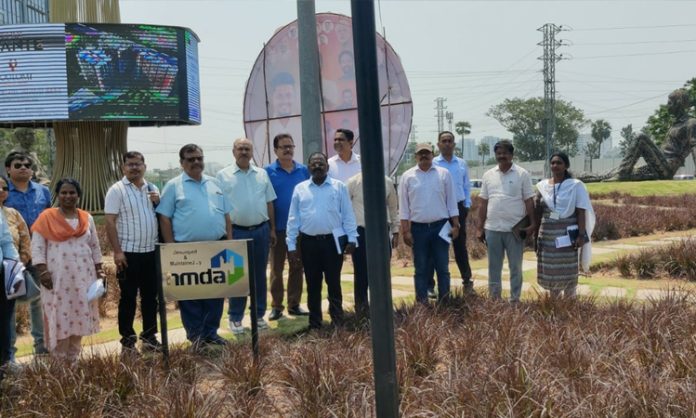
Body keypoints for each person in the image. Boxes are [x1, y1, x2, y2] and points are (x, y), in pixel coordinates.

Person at [156, 144, 232, 349]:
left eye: (199, 158)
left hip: (215, 248)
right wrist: (170, 246)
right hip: (186, 250)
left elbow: (226, 215)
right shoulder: (173, 185)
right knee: (190, 296)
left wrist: (230, 243)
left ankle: (211, 333)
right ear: (182, 163)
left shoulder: (215, 183)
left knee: (215, 293)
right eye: (191, 159)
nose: (196, 162)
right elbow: (164, 217)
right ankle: (196, 337)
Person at [31, 178, 103, 363]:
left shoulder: (86, 218)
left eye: (72, 192)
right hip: (56, 279)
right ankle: (58, 364)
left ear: (78, 195)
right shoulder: (46, 217)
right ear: (58, 195)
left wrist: (100, 271)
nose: (68, 196)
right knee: (59, 317)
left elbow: (94, 246)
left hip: (83, 279)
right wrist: (43, 271)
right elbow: (37, 247)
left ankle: (73, 363)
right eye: (64, 192)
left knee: (79, 317)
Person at [286, 152, 358, 329]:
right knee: (312, 284)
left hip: (332, 243)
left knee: (334, 282)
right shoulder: (300, 189)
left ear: (327, 166)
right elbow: (293, 219)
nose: (317, 166)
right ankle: (315, 322)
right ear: (308, 167)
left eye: (321, 163)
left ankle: (337, 319)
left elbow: (348, 214)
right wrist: (291, 246)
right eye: (313, 164)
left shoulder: (338, 187)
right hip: (308, 244)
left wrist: (352, 237)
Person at [217, 138, 276, 335]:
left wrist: (273, 229)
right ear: (233, 151)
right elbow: (219, 207)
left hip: (260, 230)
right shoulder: (222, 175)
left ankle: (258, 316)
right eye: (240, 148)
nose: (244, 152)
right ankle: (235, 318)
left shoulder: (262, 174)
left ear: (252, 152)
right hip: (236, 232)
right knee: (236, 277)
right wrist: (227, 235)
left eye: (247, 149)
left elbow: (269, 203)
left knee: (259, 276)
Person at [104, 151, 161, 354]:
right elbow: (110, 222)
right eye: (130, 164)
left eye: (138, 164)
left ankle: (149, 336)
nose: (134, 168)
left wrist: (158, 201)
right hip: (128, 254)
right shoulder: (116, 190)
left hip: (150, 252)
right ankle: (128, 340)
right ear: (123, 168)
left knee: (150, 297)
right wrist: (117, 252)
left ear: (144, 166)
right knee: (128, 297)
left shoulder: (152, 188)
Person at [399, 143, 460, 303]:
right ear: (416, 156)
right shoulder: (407, 176)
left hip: (442, 226)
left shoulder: (444, 174)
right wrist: (406, 231)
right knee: (420, 269)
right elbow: (404, 208)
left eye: (427, 153)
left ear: (433, 155)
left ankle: (445, 301)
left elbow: (451, 202)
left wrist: (456, 225)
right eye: (421, 153)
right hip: (418, 229)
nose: (424, 156)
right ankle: (422, 303)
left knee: (443, 267)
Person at [476, 140, 536, 303]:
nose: (501, 156)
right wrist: (480, 228)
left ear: (511, 155)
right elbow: (483, 203)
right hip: (493, 229)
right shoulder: (488, 175)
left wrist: (532, 224)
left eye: (505, 153)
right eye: (498, 153)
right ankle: (495, 299)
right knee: (493, 267)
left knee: (515, 267)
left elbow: (529, 201)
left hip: (514, 230)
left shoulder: (522, 174)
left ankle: (515, 299)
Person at [4, 151, 49, 359]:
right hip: (12, 258)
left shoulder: (43, 192)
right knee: (9, 305)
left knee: (40, 300)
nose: (23, 167)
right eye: (18, 164)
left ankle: (42, 346)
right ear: (8, 169)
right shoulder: (4, 192)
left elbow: (50, 219)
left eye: (27, 164)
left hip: (39, 254)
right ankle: (9, 352)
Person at [535, 152, 595, 297]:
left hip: (568, 237)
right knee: (551, 274)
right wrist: (535, 236)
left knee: (568, 273)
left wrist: (581, 235)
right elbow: (538, 211)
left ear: (566, 166)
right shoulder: (542, 186)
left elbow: (581, 211)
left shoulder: (575, 186)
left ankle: (570, 307)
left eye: (559, 163)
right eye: (553, 163)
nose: (555, 166)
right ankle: (554, 306)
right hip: (547, 237)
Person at [264, 134, 310, 321]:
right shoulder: (267, 172)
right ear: (275, 150)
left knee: (297, 267)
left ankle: (294, 304)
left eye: (290, 146)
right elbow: (266, 201)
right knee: (276, 269)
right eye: (283, 147)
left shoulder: (304, 171)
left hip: (299, 229)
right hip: (278, 228)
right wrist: (271, 228)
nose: (288, 150)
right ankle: (276, 306)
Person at [346, 172, 399, 316]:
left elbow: (393, 208)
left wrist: (396, 231)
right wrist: (348, 233)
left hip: (381, 232)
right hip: (361, 232)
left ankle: (382, 308)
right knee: (361, 273)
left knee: (382, 272)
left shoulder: (387, 182)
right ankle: (362, 310)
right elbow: (344, 206)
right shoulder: (353, 181)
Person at [433, 131, 474, 296]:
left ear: (454, 144)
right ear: (438, 144)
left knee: (460, 246)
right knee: (439, 246)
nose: (447, 143)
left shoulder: (461, 163)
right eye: (444, 141)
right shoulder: (434, 163)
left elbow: (466, 185)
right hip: (440, 209)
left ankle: (467, 280)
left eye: (450, 141)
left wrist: (467, 204)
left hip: (458, 208)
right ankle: (436, 285)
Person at [0, 196, 20, 376]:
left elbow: (6, 242)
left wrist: (16, 270)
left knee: (3, 320)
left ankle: (5, 364)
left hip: (2, 274)